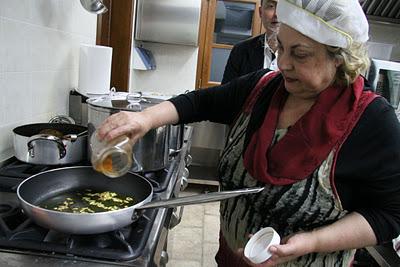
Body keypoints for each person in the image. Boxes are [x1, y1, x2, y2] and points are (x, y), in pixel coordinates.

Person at [97, 0, 400, 266]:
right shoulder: (262, 88)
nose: (282, 63)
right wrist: (145, 119)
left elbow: (389, 216)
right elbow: (198, 102)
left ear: (339, 58)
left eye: (300, 54)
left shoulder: (372, 121)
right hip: (231, 258)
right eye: (280, 46)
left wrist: (311, 242)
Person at [221, 0, 279, 84]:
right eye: (271, 6)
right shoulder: (240, 51)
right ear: (260, 12)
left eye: (282, 7)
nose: (276, 14)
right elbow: (227, 93)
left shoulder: (301, 54)